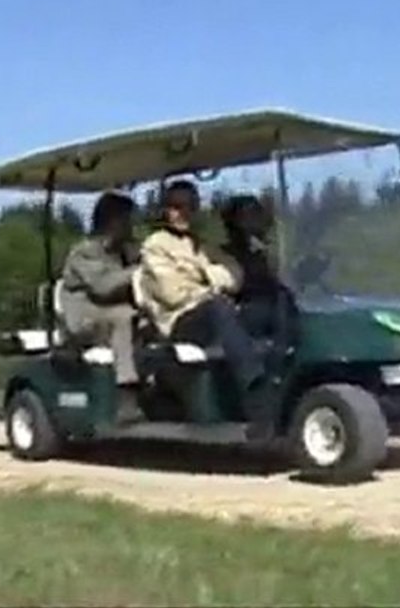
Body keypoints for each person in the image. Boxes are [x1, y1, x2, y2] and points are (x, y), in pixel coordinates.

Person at [138, 180, 273, 442]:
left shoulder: (203, 245)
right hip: (178, 322)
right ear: (165, 210)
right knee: (218, 307)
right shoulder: (155, 246)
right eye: (176, 207)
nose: (183, 213)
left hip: (210, 314)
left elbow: (235, 276)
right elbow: (172, 293)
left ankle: (287, 376)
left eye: (189, 206)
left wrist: (197, 275)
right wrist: (211, 279)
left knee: (267, 308)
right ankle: (256, 394)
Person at [58, 191, 143, 423]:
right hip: (83, 318)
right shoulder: (85, 251)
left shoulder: (124, 252)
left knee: (151, 319)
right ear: (111, 221)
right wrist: (139, 270)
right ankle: (127, 395)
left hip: (106, 314)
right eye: (126, 219)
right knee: (124, 317)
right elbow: (103, 286)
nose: (131, 225)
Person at [218, 194, 295, 339]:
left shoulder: (266, 250)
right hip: (244, 310)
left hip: (274, 306)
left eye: (256, 214)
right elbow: (233, 285)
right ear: (233, 222)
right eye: (247, 216)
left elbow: (280, 277)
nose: (254, 221)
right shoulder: (225, 254)